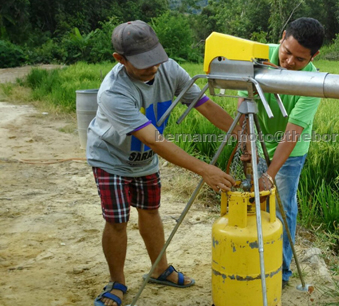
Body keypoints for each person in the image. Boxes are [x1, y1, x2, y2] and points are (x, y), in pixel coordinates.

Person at [88, 20, 236, 306]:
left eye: (156, 59)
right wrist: (205, 170)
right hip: (111, 159)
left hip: (144, 161)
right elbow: (154, 140)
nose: (153, 67)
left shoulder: (170, 69)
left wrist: (241, 133)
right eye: (144, 63)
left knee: (150, 210)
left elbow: (202, 104)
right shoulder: (114, 92)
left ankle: (159, 269)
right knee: (118, 220)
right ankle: (117, 282)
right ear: (120, 59)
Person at [238, 17, 325, 288]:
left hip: (291, 150)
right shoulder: (256, 57)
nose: (289, 62)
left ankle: (281, 272)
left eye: (299, 59)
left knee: (282, 208)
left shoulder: (314, 82)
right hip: (259, 138)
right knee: (254, 204)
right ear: (282, 36)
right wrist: (246, 145)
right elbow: (243, 102)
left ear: (313, 56)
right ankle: (253, 260)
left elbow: (293, 131)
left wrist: (270, 174)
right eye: (286, 52)